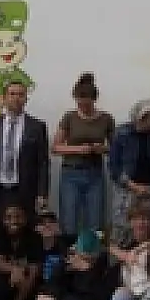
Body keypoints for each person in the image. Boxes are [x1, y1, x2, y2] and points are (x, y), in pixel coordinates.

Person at [52, 73, 114, 247]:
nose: (83, 108)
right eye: (80, 104)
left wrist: (101, 149)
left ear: (94, 100)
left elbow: (115, 148)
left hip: (95, 174)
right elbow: (55, 147)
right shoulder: (69, 117)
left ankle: (92, 256)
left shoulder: (106, 119)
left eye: (87, 104)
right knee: (69, 220)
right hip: (71, 173)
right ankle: (69, 255)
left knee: (95, 221)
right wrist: (78, 149)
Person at [0, 80, 51, 227]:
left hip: (25, 190)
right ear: (4, 98)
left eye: (20, 94)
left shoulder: (37, 126)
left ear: (26, 98)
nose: (16, 98)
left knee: (26, 230)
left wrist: (42, 193)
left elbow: (43, 163)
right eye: (12, 94)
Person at [107, 98, 150, 245]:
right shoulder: (121, 133)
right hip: (126, 188)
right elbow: (113, 167)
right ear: (142, 118)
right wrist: (132, 186)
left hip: (149, 187)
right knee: (123, 227)